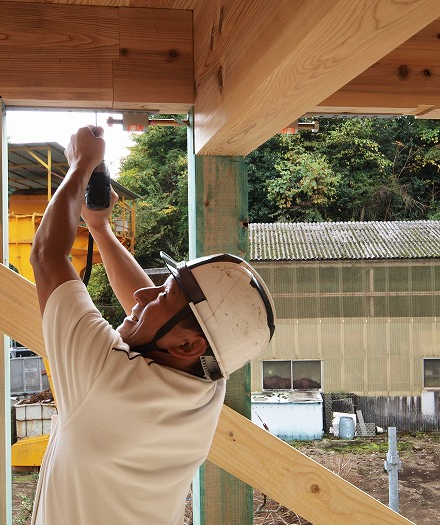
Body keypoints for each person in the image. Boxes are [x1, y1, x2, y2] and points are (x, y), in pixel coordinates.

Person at [29, 125, 275, 524]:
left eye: (162, 294)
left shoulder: (105, 380)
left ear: (188, 346)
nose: (143, 295)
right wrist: (100, 229)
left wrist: (80, 164)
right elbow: (162, 320)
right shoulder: (207, 383)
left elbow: (45, 255)